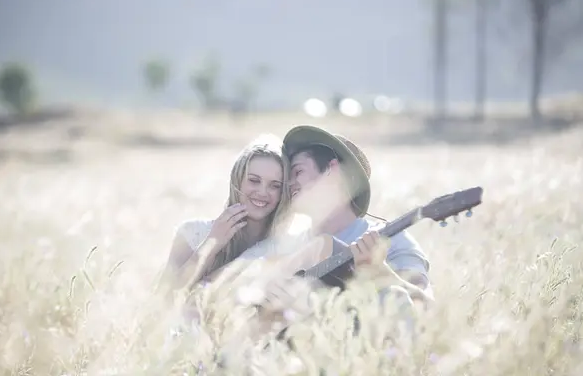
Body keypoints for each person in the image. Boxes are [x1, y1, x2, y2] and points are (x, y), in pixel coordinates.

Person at [238, 125, 433, 342]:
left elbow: (425, 309)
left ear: (333, 170)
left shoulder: (391, 239)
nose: (289, 183)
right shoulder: (285, 244)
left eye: (298, 172)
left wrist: (380, 273)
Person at [158, 133, 292, 298]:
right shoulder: (191, 232)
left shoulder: (283, 247)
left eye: (275, 186)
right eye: (254, 180)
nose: (262, 192)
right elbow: (160, 301)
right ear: (237, 180)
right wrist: (211, 244)